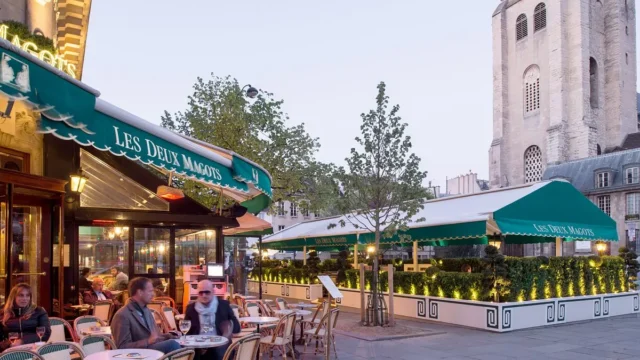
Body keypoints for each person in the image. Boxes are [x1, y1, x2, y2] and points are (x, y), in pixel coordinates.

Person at [110, 277, 181, 353]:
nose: (153, 294)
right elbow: (122, 347)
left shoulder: (146, 310)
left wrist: (171, 336)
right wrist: (147, 341)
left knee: (182, 344)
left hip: (151, 349)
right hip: (139, 354)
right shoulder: (122, 315)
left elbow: (156, 337)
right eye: (150, 291)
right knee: (172, 345)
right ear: (140, 292)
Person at [184, 280, 240, 360]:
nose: (204, 295)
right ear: (197, 293)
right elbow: (187, 333)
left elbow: (237, 327)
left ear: (213, 292)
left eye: (207, 292)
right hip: (199, 347)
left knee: (219, 351)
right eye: (201, 292)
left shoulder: (223, 305)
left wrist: (228, 328)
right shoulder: (191, 309)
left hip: (219, 343)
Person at [0, 283, 51, 350]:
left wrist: (22, 341)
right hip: (10, 350)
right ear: (13, 297)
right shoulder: (3, 313)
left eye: (27, 296)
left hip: (34, 349)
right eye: (21, 295)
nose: (25, 299)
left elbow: (45, 333)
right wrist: (8, 344)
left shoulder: (38, 311)